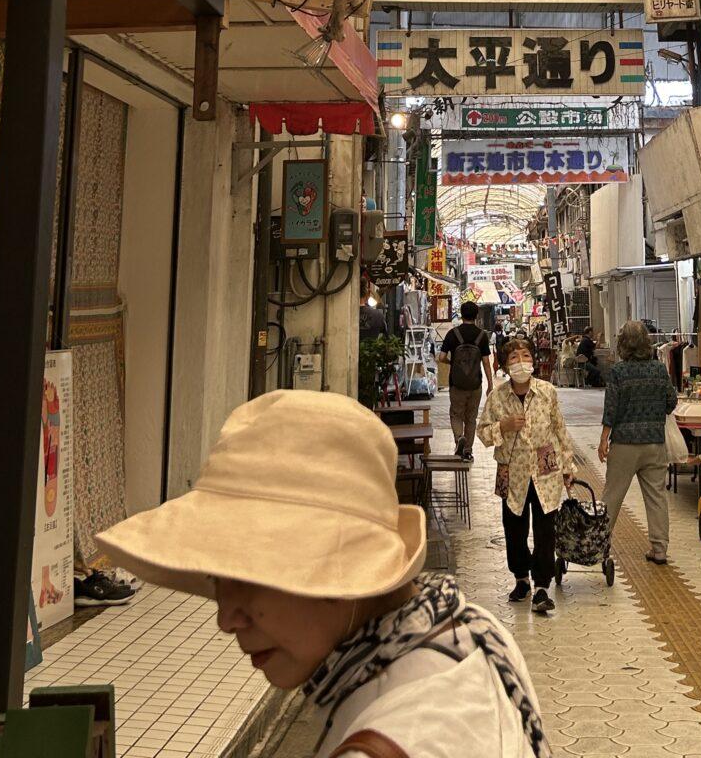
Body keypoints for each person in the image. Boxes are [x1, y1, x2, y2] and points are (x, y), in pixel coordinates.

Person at [95, 392, 550, 757]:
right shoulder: (466, 630)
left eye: (249, 576)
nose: (226, 618)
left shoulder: (402, 730)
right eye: (217, 580)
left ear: (344, 572)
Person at [478, 337, 576, 617]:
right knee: (514, 527)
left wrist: (568, 467)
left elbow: (560, 430)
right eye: (513, 358)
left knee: (546, 528)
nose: (521, 362)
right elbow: (483, 434)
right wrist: (503, 426)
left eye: (525, 356)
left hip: (546, 467)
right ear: (505, 366)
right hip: (511, 469)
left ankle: (542, 586)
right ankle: (521, 579)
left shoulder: (547, 392)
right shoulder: (497, 397)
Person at [597, 320, 677, 564]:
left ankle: (598, 545)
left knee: (612, 495)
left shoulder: (619, 372)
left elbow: (611, 408)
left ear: (623, 343)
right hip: (654, 443)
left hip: (624, 444)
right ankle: (659, 549)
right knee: (656, 496)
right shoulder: (659, 369)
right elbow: (671, 402)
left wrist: (604, 439)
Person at [441, 301, 493, 460]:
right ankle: (468, 450)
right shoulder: (481, 335)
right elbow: (485, 362)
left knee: (456, 414)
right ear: (476, 315)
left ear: (461, 314)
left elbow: (441, 357)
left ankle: (459, 438)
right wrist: (490, 384)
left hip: (456, 384)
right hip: (475, 383)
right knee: (471, 418)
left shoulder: (452, 333)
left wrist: (453, 362)